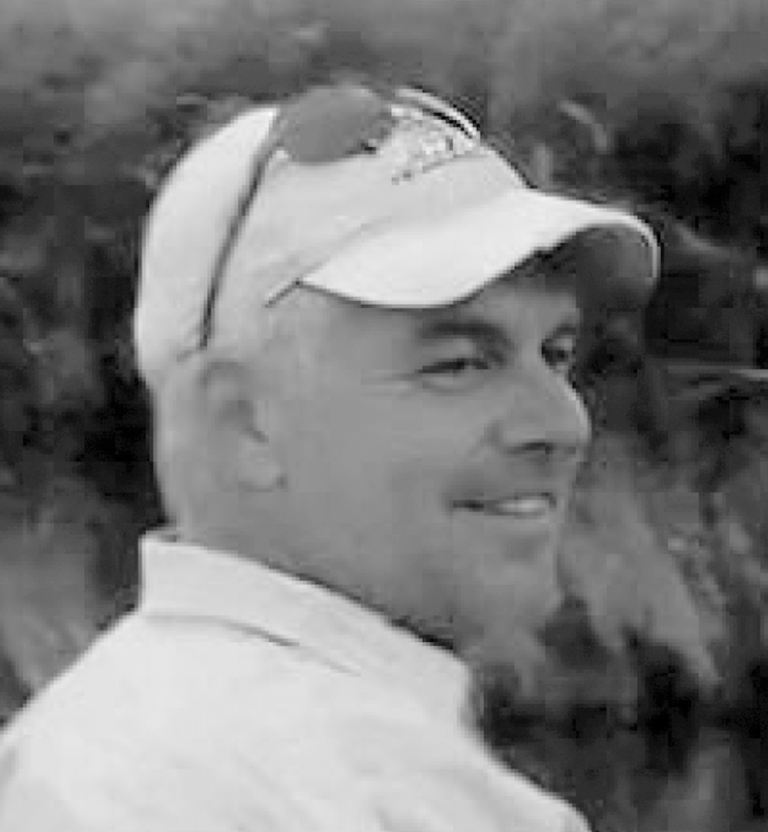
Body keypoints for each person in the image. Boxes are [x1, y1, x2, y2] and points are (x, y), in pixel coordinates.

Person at [0, 81, 658, 831]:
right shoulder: (151, 790)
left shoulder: (235, 757)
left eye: (556, 353)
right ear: (246, 422)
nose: (562, 422)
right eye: (459, 364)